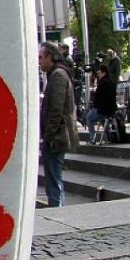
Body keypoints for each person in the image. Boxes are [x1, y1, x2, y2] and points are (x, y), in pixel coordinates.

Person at [39, 40, 78, 207]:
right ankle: (56, 206)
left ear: (50, 57)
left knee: (54, 179)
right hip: (56, 136)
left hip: (57, 137)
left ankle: (57, 209)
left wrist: (49, 134)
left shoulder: (58, 76)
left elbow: (56, 109)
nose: (39, 61)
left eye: (41, 57)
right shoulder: (56, 75)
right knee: (53, 178)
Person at [86, 62, 118, 145]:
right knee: (102, 119)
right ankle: (106, 137)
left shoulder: (102, 83)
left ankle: (92, 138)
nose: (99, 75)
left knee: (89, 118)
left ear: (104, 72)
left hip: (103, 110)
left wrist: (93, 107)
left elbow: (98, 98)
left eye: (99, 73)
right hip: (112, 109)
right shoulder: (111, 82)